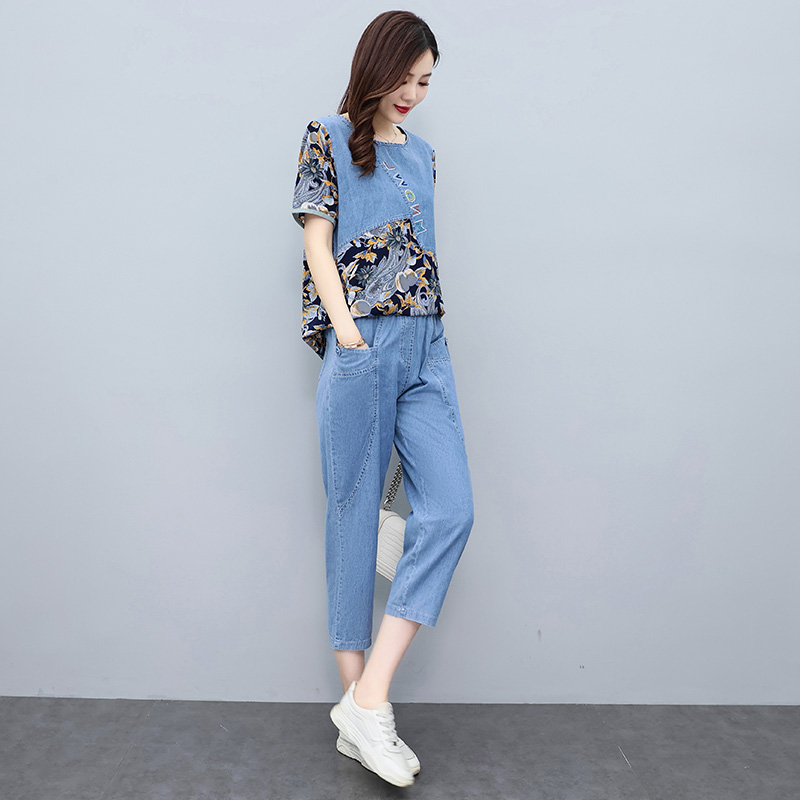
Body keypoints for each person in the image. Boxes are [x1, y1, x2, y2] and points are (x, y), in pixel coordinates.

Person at [290, 10, 474, 788]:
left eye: (425, 82)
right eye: (405, 78)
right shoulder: (326, 136)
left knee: (451, 510)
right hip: (362, 341)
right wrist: (349, 337)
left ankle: (367, 700)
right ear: (376, 66)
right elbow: (316, 242)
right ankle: (361, 713)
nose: (413, 93)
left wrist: (420, 341)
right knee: (354, 516)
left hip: (427, 345)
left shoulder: (425, 155)